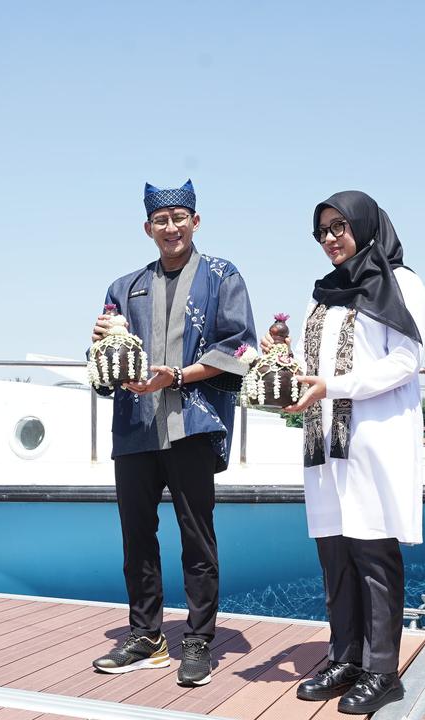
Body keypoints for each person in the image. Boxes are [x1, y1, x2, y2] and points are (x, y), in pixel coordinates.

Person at [89, 180, 256, 687]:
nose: (171, 227)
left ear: (196, 222)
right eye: (161, 220)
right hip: (136, 428)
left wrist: (179, 376)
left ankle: (199, 640)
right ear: (147, 228)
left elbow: (241, 348)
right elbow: (104, 366)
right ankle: (146, 636)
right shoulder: (124, 287)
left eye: (179, 217)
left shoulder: (223, 275)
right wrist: (100, 347)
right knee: (136, 536)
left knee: (196, 536)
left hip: (193, 426)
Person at [268, 191, 425, 715]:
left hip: (373, 437)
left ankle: (383, 669)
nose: (331, 238)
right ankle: (345, 657)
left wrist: (334, 387)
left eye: (340, 226)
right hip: (324, 441)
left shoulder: (401, 282)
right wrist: (283, 371)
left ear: (367, 224)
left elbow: (403, 361)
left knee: (374, 554)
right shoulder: (325, 294)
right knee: (335, 552)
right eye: (322, 231)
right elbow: (316, 365)